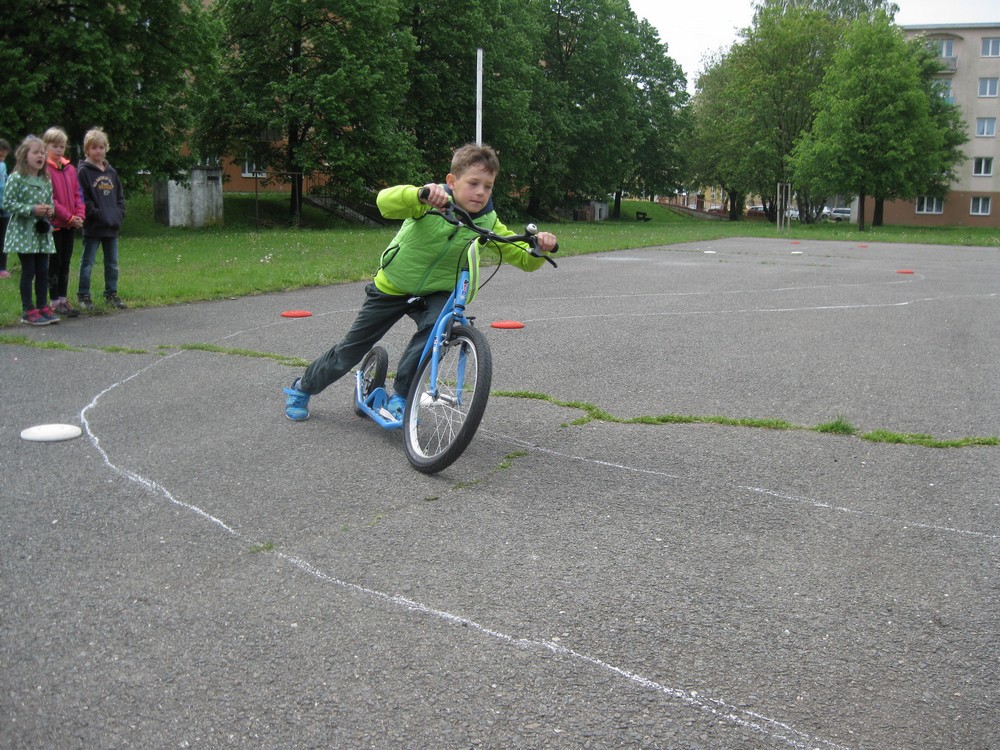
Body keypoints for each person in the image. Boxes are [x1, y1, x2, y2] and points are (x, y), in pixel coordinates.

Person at [283, 143, 558, 421]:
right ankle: (302, 387)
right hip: (393, 286)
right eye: (473, 183)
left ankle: (402, 397)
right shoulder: (429, 202)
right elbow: (385, 203)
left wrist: (539, 248)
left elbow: (522, 258)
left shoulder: (488, 222)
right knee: (350, 351)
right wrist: (419, 194)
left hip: (437, 291)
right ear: (452, 181)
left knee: (438, 331)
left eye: (488, 186)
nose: (480, 192)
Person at [2, 135, 58, 325]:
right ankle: (28, 310)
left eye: (42, 152)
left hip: (41, 232)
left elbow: (50, 202)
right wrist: (31, 209)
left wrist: (50, 211)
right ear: (25, 155)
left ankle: (42, 306)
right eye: (36, 152)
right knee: (29, 270)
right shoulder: (17, 178)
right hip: (23, 233)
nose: (40, 156)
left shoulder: (45, 180)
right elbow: (7, 203)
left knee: (43, 269)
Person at [77, 127, 126, 310]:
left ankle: (111, 294)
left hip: (111, 226)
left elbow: (119, 197)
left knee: (112, 263)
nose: (98, 151)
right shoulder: (83, 172)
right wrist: (97, 214)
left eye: (101, 147)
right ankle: (84, 295)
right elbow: (83, 198)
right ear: (87, 150)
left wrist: (119, 213)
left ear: (106, 148)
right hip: (93, 226)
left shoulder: (111, 173)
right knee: (88, 262)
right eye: (94, 148)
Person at [44, 127, 85, 316]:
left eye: (62, 146)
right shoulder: (45, 170)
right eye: (55, 146)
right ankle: (53, 301)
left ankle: (63, 298)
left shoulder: (70, 169)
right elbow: (51, 199)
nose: (59, 150)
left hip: (70, 224)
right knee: (55, 262)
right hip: (56, 224)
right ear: (46, 146)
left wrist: (79, 215)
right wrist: (68, 217)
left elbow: (78, 194)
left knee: (66, 261)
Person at [0, 138, 11, 279]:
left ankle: (2, 267)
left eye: (3, 156)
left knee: (3, 239)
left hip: (5, 207)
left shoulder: (3, 166)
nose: (1, 159)